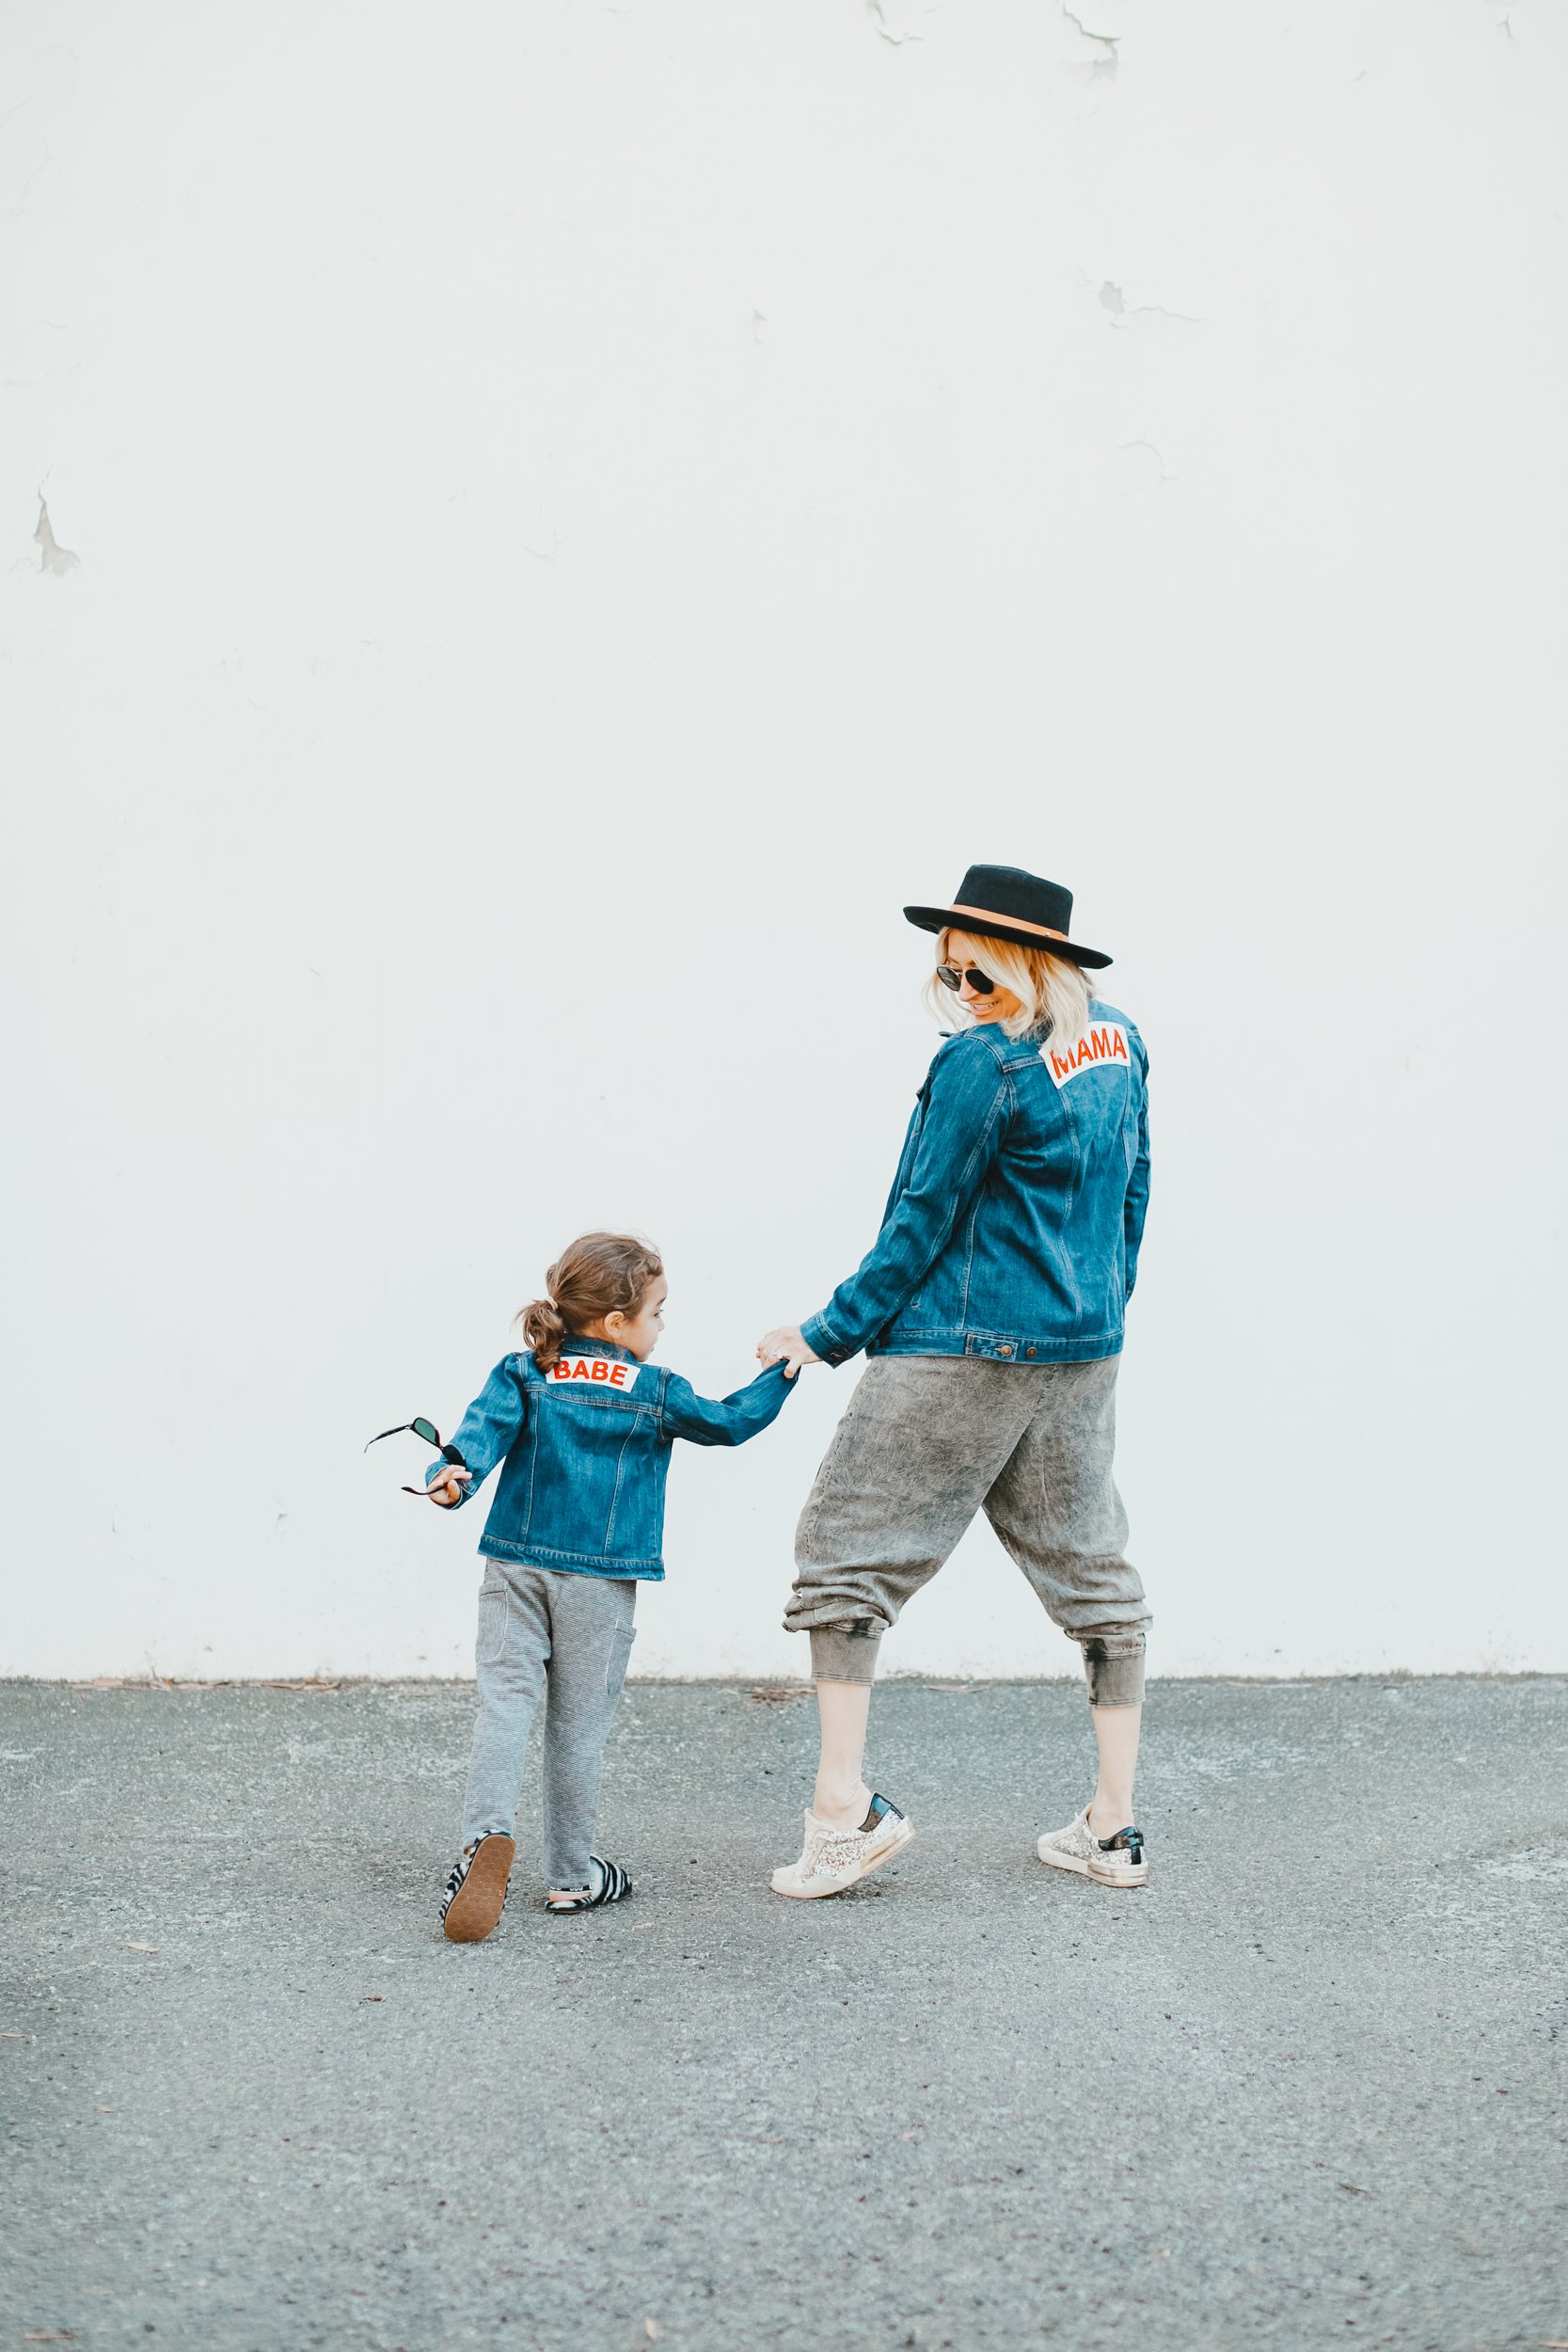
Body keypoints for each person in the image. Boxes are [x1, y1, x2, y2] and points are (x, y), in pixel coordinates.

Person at [758, 863, 1152, 1901]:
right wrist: (1099, 1309)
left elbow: (919, 1218)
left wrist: (825, 1331)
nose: (959, 991)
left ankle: (841, 1814)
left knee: (844, 1557)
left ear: (1029, 963)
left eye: (974, 973)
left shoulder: (983, 1064)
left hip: (962, 1344)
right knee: (1092, 1574)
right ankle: (1112, 1827)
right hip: (1080, 1348)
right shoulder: (1119, 1042)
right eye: (949, 976)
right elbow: (1132, 1191)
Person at [424, 1231, 794, 1942]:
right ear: (618, 1323)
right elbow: (731, 1422)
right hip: (599, 1579)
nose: (661, 1327)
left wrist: (454, 1476)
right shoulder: (654, 1390)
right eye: (657, 1313)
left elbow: (478, 1439)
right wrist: (780, 1372)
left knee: (504, 1707)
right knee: (577, 1728)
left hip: (514, 1564)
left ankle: (484, 1839)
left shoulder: (526, 1370)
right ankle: (572, 1879)